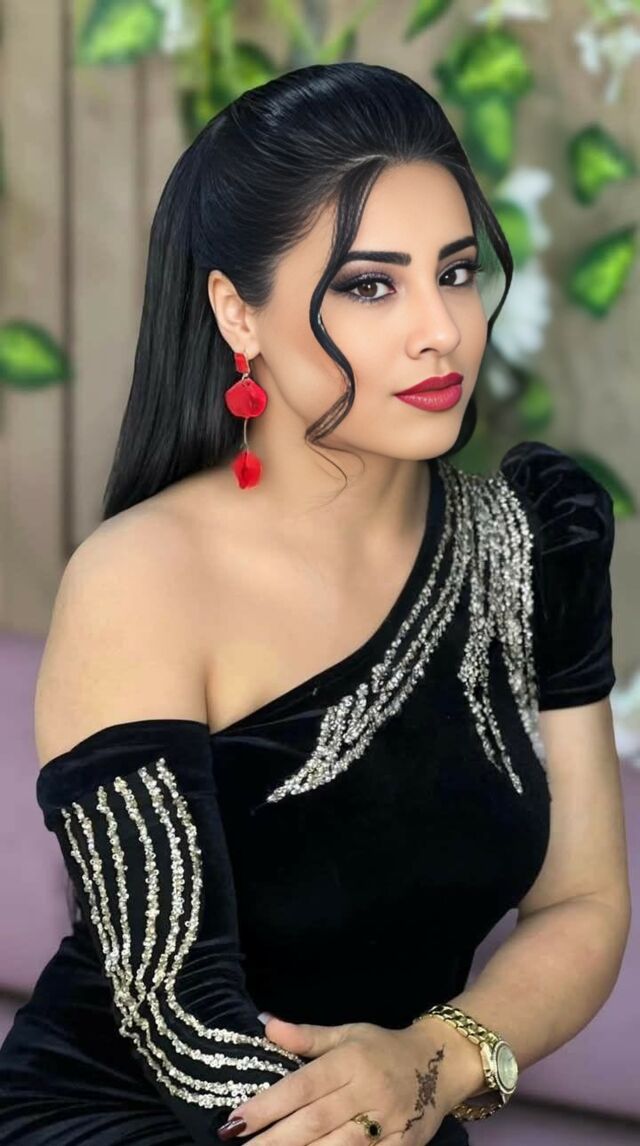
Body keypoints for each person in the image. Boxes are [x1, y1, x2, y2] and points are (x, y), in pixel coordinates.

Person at [0, 60, 628, 1146]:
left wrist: (432, 1065)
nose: (440, 329)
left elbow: (584, 904)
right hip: (142, 1119)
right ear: (237, 313)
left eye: (457, 272)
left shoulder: (532, 544)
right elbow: (178, 1020)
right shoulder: (144, 577)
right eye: (370, 286)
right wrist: (386, 1109)